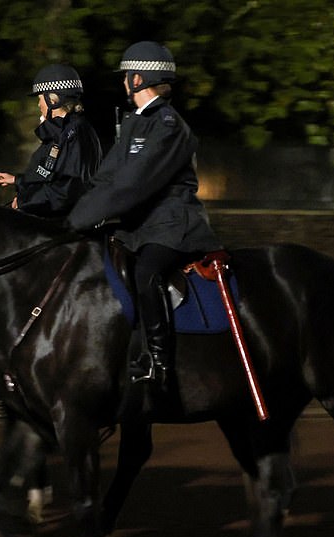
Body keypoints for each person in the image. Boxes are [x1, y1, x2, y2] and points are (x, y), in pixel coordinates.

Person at [66, 41, 222, 391]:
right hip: (139, 226)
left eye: (126, 76)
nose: (124, 82)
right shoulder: (135, 123)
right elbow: (106, 179)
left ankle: (159, 361)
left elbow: (134, 183)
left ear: (139, 78)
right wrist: (74, 211)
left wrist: (79, 220)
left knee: (146, 271)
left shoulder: (168, 125)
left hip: (172, 225)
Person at [0, 64, 102, 217]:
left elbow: (66, 191)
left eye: (40, 99)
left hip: (64, 226)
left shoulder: (76, 133)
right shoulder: (60, 132)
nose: (38, 104)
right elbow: (47, 177)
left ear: (52, 100)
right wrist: (18, 180)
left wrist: (24, 201)